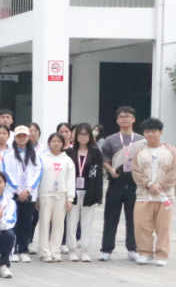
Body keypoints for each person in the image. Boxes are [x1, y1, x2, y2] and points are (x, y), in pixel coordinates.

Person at [100, 106, 144, 261]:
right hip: (116, 182)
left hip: (134, 183)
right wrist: (110, 170)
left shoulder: (141, 140)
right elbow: (104, 159)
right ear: (117, 120)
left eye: (128, 116)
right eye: (121, 116)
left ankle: (133, 249)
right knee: (111, 217)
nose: (124, 118)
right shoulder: (110, 140)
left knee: (134, 218)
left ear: (134, 119)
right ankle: (106, 250)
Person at [130, 118, 176, 266]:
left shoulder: (171, 151)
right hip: (144, 195)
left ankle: (162, 255)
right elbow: (136, 172)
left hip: (165, 196)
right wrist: (149, 184)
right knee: (142, 226)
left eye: (154, 131)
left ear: (160, 132)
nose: (150, 134)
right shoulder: (138, 153)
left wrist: (161, 185)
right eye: (147, 131)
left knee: (164, 227)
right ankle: (145, 253)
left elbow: (173, 172)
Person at [66, 123, 103, 262]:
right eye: (80, 134)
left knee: (87, 222)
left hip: (89, 190)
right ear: (75, 136)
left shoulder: (95, 152)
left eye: (85, 134)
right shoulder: (70, 153)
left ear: (90, 136)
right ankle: (72, 249)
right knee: (72, 221)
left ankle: (85, 250)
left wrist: (97, 195)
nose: (82, 137)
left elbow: (99, 175)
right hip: (72, 191)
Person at [36, 133, 75, 262]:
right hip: (45, 194)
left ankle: (55, 251)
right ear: (49, 143)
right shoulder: (42, 158)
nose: (56, 143)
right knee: (44, 223)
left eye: (59, 141)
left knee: (59, 225)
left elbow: (70, 180)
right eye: (53, 141)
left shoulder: (67, 160)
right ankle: (45, 252)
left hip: (61, 195)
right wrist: (37, 197)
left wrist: (70, 199)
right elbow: (38, 178)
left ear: (63, 143)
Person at [7, 126, 41, 262]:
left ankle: (23, 250)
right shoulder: (9, 154)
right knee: (13, 224)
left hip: (29, 194)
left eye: (24, 136)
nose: (21, 138)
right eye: (19, 136)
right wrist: (18, 190)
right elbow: (7, 174)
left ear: (28, 137)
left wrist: (29, 190)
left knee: (26, 224)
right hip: (13, 194)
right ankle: (13, 250)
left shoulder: (35, 154)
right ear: (15, 138)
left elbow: (38, 173)